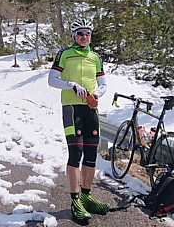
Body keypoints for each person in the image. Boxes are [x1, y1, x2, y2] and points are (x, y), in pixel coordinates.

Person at [48, 18, 109, 224]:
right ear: (74, 35)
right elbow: (52, 80)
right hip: (72, 108)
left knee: (91, 154)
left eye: (87, 33)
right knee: (76, 153)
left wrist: (97, 93)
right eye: (80, 33)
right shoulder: (64, 54)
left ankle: (86, 196)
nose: (84, 37)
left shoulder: (95, 57)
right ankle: (75, 200)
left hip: (90, 109)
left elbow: (103, 83)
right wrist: (72, 85)